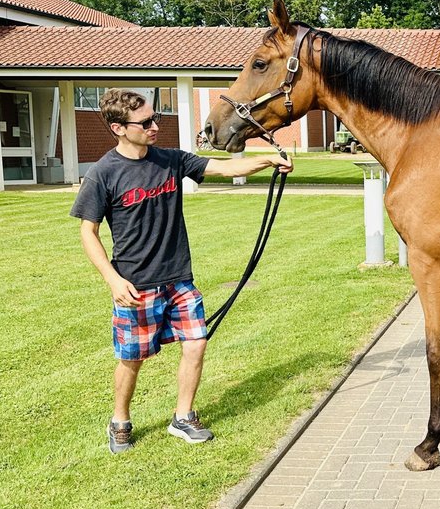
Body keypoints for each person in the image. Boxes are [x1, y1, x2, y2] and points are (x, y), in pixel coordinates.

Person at [70, 88, 292, 454]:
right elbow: (87, 232)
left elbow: (222, 167)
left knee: (197, 343)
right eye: (145, 122)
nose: (155, 126)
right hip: (136, 284)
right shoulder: (103, 174)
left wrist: (269, 159)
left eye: (155, 118)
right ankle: (120, 421)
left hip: (178, 279)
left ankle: (183, 417)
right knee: (132, 358)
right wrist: (113, 279)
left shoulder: (170, 160)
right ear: (118, 128)